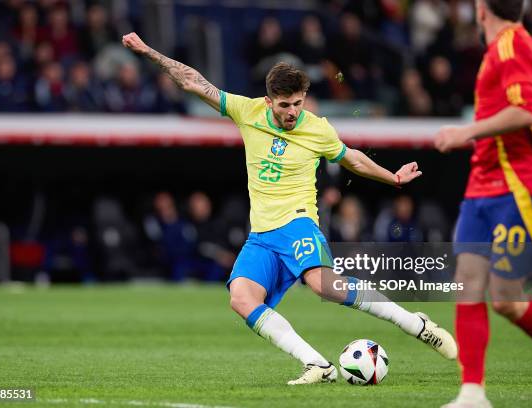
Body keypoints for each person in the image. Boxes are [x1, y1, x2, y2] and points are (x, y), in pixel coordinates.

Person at [122, 31, 457, 385]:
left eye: (298, 103)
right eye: (285, 105)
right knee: (241, 297)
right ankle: (318, 364)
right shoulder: (246, 111)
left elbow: (351, 159)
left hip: (298, 223)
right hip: (262, 235)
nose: (293, 112)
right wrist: (148, 52)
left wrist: (393, 178)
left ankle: (415, 324)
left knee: (324, 284)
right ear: (269, 102)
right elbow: (193, 81)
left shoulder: (318, 129)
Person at [434, 1, 532, 407]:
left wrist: (467, 132)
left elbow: (527, 112)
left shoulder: (513, 47)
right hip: (483, 185)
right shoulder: (511, 49)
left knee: (506, 298)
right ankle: (472, 393)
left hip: (518, 188)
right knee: (468, 283)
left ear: (481, 10)